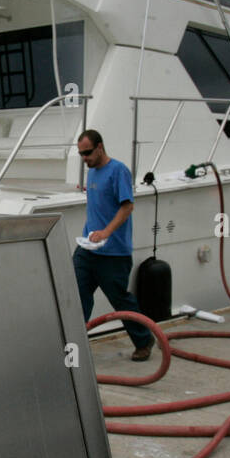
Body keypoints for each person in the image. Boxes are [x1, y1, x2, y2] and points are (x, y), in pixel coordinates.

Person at [74, 130, 155, 361]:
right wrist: (90, 234)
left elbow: (127, 207)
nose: (84, 158)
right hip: (87, 250)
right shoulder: (91, 173)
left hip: (113, 252)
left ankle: (143, 339)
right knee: (76, 295)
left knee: (119, 299)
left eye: (88, 153)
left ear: (100, 147)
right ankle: (75, 344)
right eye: (81, 154)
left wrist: (106, 232)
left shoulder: (118, 171)